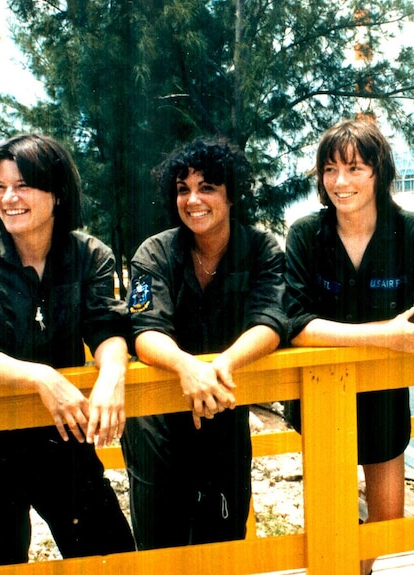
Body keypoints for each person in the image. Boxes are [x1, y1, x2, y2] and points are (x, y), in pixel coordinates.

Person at [0, 134, 135, 567]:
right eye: (0, 187)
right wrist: (42, 376)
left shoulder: (88, 255)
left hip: (61, 437)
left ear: (57, 192)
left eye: (22, 185)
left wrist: (113, 374)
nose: (9, 198)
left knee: (113, 558)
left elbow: (107, 326)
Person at [284, 118, 414, 575]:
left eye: (355, 168)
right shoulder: (306, 235)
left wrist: (339, 332)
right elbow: (293, 322)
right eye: (331, 170)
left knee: (387, 518)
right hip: (322, 397)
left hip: (383, 394)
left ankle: (359, 568)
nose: (341, 182)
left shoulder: (410, 231)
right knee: (331, 519)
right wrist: (385, 334)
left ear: (379, 172)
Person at [120, 139, 288, 549]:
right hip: (157, 418)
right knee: (162, 541)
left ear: (232, 195)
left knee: (226, 533)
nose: (193, 199)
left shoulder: (262, 250)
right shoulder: (153, 253)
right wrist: (186, 367)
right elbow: (144, 330)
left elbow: (272, 321)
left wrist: (221, 365)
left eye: (207, 187)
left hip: (225, 404)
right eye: (183, 188)